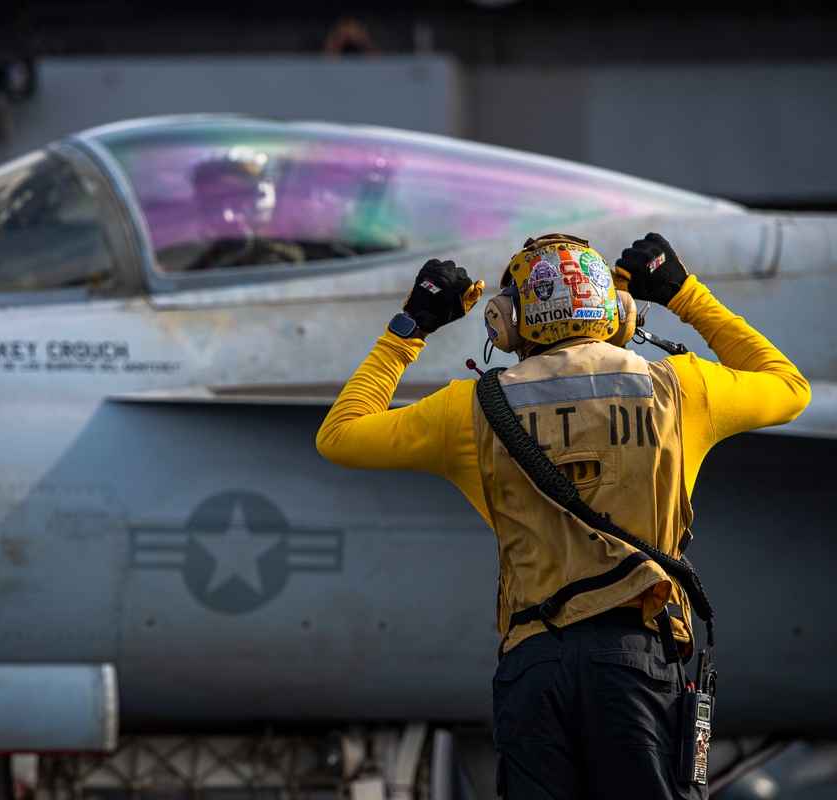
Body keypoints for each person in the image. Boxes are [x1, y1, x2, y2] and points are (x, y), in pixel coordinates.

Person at [316, 233, 811, 799]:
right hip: (638, 664)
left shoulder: (469, 409)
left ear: (506, 319)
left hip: (535, 668)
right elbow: (789, 387)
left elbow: (340, 436)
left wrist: (412, 327)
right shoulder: (679, 390)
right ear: (616, 313)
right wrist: (683, 292)